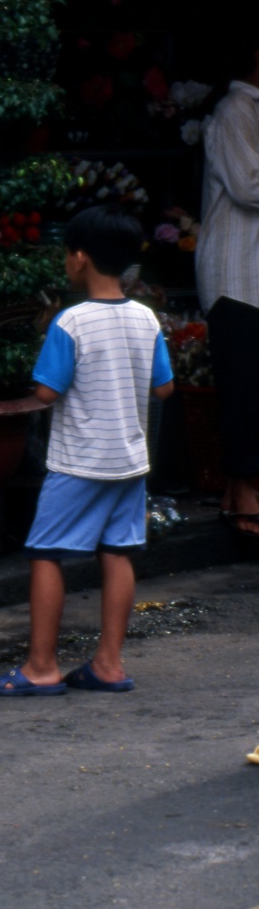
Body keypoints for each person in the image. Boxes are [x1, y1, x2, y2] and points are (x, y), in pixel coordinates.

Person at [0, 205, 175, 697]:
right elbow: (164, 389)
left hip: (80, 460)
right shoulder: (146, 319)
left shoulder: (71, 323)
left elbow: (47, 393)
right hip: (130, 460)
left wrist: (21, 399)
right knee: (118, 553)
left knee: (46, 553)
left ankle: (41, 666)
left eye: (68, 251)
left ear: (80, 257)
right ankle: (108, 663)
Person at [197, 32, 259, 538]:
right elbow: (248, 183)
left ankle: (240, 493)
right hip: (238, 277)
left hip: (252, 277)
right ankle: (242, 496)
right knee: (244, 389)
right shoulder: (236, 109)